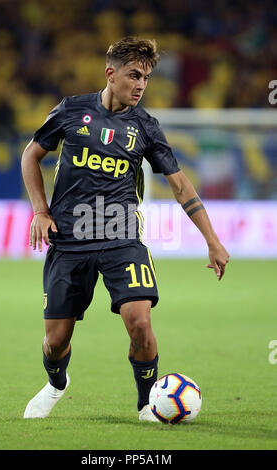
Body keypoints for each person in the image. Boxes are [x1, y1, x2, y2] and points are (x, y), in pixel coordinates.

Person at [21, 36, 229, 422]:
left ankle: (146, 404)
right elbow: (31, 154)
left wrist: (212, 241)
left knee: (140, 322)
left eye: (146, 78)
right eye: (134, 75)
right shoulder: (71, 111)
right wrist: (40, 210)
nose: (140, 85)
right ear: (110, 73)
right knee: (55, 341)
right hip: (68, 241)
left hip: (122, 239)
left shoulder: (146, 127)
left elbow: (181, 185)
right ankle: (56, 384)